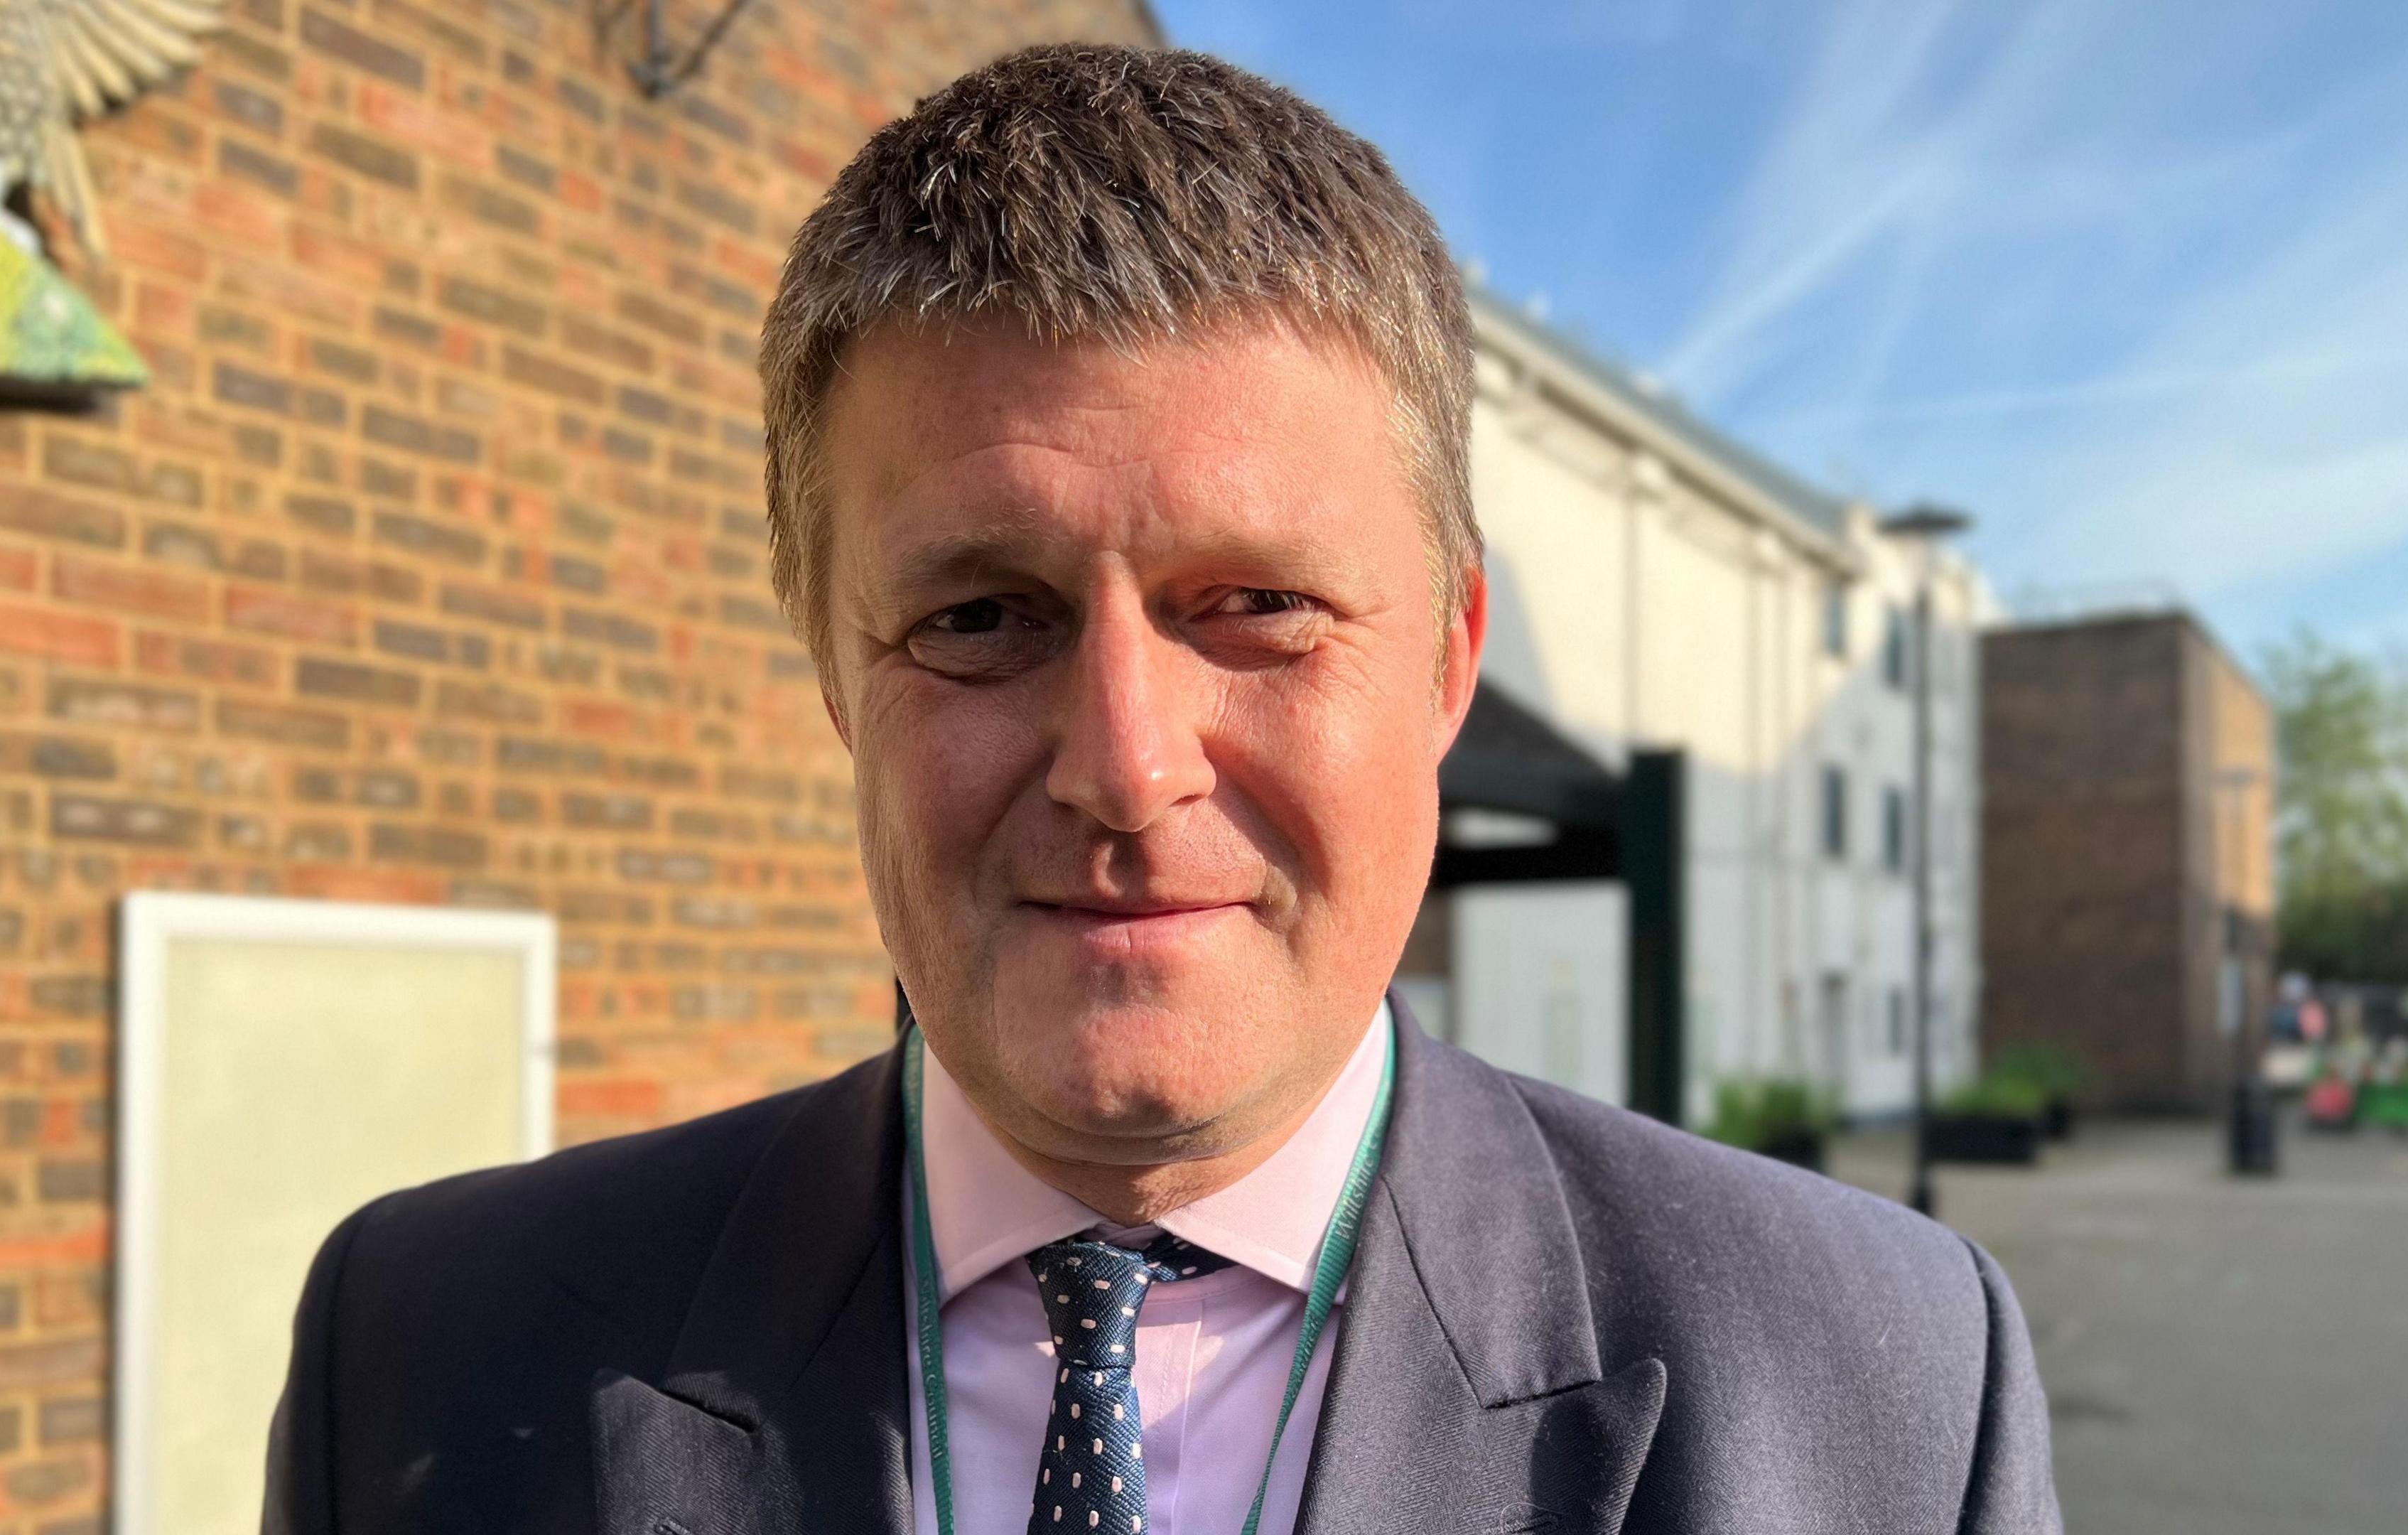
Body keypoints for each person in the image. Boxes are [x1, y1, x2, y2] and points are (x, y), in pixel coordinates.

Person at [262, 43, 2060, 1535]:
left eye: (1259, 608)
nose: (1126, 766)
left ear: (1446, 657)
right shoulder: (426, 1350)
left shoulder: (1882, 1393)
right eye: (979, 617)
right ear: (832, 666)